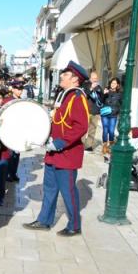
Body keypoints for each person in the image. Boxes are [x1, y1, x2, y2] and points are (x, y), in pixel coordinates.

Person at [23, 60, 90, 236]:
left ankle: (74, 225)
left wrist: (60, 143)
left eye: (66, 75)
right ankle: (45, 220)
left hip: (67, 154)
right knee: (49, 189)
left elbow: (81, 126)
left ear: (75, 79)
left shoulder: (78, 97)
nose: (61, 76)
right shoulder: (65, 95)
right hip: (54, 152)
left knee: (68, 192)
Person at [6, 80, 24, 183]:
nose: (19, 91)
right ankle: (8, 173)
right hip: (10, 130)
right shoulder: (8, 100)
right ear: (12, 89)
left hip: (18, 130)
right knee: (10, 153)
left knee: (17, 154)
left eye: (21, 89)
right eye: (17, 89)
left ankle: (13, 172)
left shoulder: (21, 100)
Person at [101, 77, 122, 156]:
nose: (113, 84)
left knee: (111, 131)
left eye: (115, 83)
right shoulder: (106, 91)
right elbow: (101, 101)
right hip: (105, 114)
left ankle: (111, 146)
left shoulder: (119, 94)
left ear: (117, 85)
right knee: (105, 129)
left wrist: (118, 111)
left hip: (113, 115)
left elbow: (122, 104)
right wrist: (104, 94)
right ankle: (105, 146)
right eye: (112, 83)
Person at [83, 71, 104, 152]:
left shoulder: (99, 87)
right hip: (86, 110)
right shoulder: (85, 84)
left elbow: (101, 99)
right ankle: (81, 144)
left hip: (95, 111)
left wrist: (104, 94)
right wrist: (91, 88)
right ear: (90, 78)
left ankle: (88, 146)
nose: (95, 80)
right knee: (84, 129)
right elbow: (85, 94)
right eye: (93, 78)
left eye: (96, 79)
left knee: (92, 129)